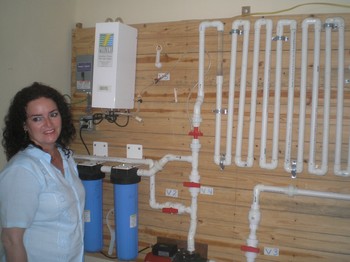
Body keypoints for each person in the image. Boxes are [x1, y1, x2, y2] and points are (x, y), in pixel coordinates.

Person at [0, 82, 85, 262]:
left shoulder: (66, 157)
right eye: (37, 118)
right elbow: (11, 240)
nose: (48, 124)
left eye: (53, 115)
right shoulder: (22, 170)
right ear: (24, 125)